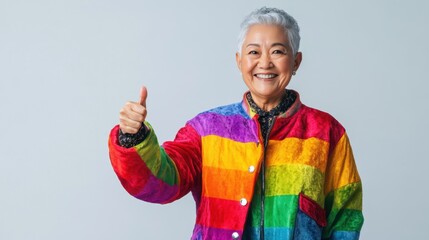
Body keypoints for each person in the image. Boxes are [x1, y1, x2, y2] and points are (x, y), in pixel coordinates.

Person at [108, 7, 364, 240]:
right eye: (253, 52)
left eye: (278, 51)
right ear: (239, 61)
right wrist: (134, 138)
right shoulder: (206, 129)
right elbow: (162, 183)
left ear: (295, 62)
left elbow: (345, 218)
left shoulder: (327, 132)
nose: (265, 62)